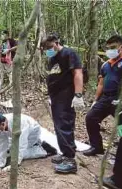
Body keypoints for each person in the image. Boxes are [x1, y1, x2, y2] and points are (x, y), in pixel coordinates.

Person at [41, 33, 84, 174]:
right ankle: (65, 153)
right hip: (56, 97)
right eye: (45, 48)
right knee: (59, 125)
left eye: (49, 46)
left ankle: (70, 161)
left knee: (64, 124)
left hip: (66, 95)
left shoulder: (69, 53)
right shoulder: (53, 58)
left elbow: (77, 73)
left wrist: (78, 95)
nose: (48, 49)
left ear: (56, 42)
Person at [84, 35, 122, 156]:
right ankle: (96, 146)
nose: (110, 50)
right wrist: (95, 100)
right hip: (106, 98)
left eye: (113, 47)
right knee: (91, 118)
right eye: (108, 48)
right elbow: (101, 84)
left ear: (121, 47)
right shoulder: (106, 65)